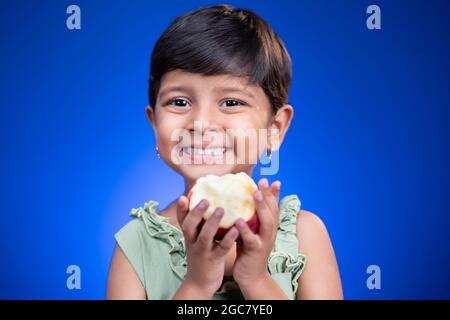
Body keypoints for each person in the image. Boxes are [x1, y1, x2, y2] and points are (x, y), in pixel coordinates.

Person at [107, 4, 343, 300]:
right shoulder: (137, 245)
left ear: (275, 129)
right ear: (155, 124)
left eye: (231, 102)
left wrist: (255, 279)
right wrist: (197, 284)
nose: (201, 124)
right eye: (179, 102)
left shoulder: (305, 235)